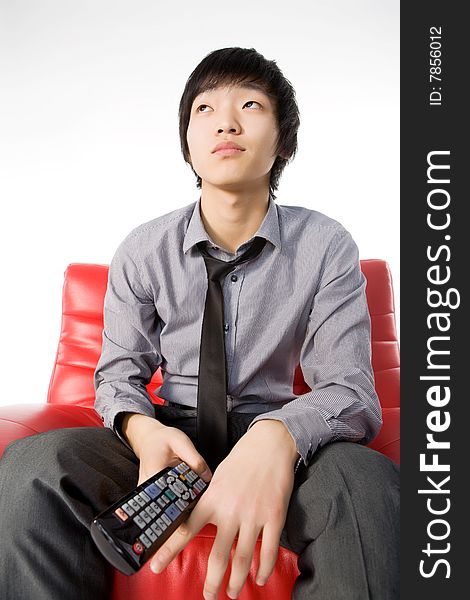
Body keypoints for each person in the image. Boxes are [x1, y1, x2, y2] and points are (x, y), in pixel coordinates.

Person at [0, 47, 399, 600]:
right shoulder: (143, 249)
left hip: (275, 437)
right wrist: (145, 433)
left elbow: (351, 390)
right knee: (33, 467)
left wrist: (278, 436)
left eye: (251, 105)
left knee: (365, 482)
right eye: (204, 109)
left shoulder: (327, 246)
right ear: (187, 141)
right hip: (169, 442)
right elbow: (118, 378)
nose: (226, 123)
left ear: (284, 140)